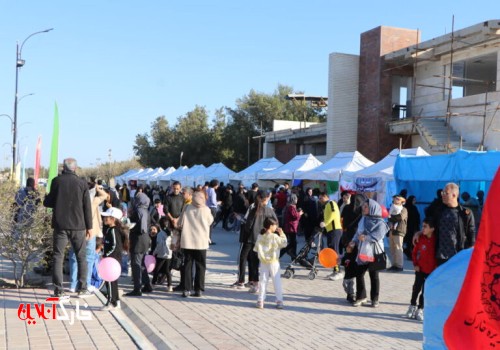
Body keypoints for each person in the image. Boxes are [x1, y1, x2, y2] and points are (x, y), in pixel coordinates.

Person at [43, 158, 93, 298]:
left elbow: (48, 203)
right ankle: (82, 288)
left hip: (60, 225)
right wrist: (89, 226)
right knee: (81, 257)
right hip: (78, 226)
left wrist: (46, 197)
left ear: (63, 168)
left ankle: (58, 290)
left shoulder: (56, 181)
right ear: (75, 168)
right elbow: (87, 207)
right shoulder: (82, 183)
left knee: (58, 257)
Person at [349, 199, 389, 307]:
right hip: (362, 251)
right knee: (359, 273)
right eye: (364, 206)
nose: (363, 208)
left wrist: (366, 237)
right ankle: (361, 297)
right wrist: (353, 241)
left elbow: (378, 236)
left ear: (372, 208)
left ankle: (375, 299)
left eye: (366, 206)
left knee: (374, 276)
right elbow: (358, 233)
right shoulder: (363, 219)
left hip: (374, 252)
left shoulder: (381, 223)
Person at [68, 182, 107, 293]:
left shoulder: (75, 199)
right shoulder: (93, 201)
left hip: (76, 231)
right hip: (91, 232)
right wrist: (98, 188)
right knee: (89, 258)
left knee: (74, 257)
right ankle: (87, 283)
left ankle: (73, 283)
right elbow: (104, 195)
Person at [240, 189, 278, 293]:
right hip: (265, 239)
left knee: (254, 263)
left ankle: (255, 284)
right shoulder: (269, 210)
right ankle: (264, 283)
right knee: (264, 263)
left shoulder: (254, 209)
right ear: (267, 198)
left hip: (253, 239)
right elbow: (276, 223)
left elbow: (248, 226)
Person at [178, 191, 213, 297]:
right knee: (201, 266)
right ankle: (199, 289)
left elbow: (180, 223)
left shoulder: (187, 207)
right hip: (201, 242)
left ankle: (187, 289)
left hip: (187, 241)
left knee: (187, 265)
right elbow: (210, 221)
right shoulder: (206, 210)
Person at [404, 217, 436, 322]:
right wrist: (415, 264)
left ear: (432, 229)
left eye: (425, 227)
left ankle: (420, 309)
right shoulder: (420, 238)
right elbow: (414, 253)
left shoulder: (436, 240)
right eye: (422, 226)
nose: (423, 229)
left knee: (425, 291)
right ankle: (412, 306)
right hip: (420, 269)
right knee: (416, 288)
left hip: (431, 270)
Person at [254, 217, 287, 309]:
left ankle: (260, 300)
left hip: (263, 262)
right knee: (276, 281)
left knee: (263, 281)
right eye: (275, 225)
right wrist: (282, 233)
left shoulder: (260, 236)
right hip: (274, 262)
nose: (276, 226)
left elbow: (256, 248)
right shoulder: (275, 237)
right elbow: (284, 243)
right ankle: (279, 300)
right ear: (271, 226)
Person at [125, 185, 152, 296]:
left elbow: (139, 227)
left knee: (136, 264)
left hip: (137, 240)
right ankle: (147, 285)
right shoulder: (147, 211)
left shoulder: (138, 211)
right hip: (145, 240)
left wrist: (129, 225)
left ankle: (137, 288)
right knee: (141, 263)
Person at [101, 207, 128, 310]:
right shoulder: (109, 229)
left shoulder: (113, 230)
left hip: (112, 260)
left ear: (113, 219)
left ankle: (112, 302)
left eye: (107, 217)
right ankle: (116, 301)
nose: (104, 218)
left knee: (110, 281)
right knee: (112, 282)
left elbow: (115, 246)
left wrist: (106, 255)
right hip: (111, 260)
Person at [318, 192, 343, 281]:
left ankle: (338, 271)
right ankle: (335, 270)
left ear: (326, 197)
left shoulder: (331, 203)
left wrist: (326, 223)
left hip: (335, 230)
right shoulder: (326, 205)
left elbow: (333, 214)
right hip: (331, 230)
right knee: (332, 250)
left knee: (334, 251)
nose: (319, 200)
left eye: (321, 198)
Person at [152, 217, 173, 291]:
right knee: (167, 270)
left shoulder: (160, 234)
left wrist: (154, 253)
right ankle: (170, 285)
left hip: (161, 254)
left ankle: (153, 283)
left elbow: (159, 245)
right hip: (169, 254)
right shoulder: (171, 233)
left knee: (157, 269)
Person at [387, 195, 408, 272]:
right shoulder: (392, 208)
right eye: (395, 198)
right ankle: (394, 264)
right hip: (392, 230)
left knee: (398, 248)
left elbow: (400, 217)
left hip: (399, 230)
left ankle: (399, 265)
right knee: (392, 248)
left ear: (402, 201)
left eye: (398, 199)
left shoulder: (404, 209)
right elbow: (389, 218)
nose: (396, 200)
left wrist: (390, 216)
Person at [280, 194, 302, 260]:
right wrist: (299, 213)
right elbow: (295, 216)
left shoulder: (290, 206)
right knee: (292, 243)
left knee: (293, 242)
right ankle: (284, 252)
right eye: (296, 199)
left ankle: (293, 256)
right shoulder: (291, 207)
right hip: (291, 227)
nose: (297, 200)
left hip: (291, 226)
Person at [403, 195, 421, 260]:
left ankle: (411, 254)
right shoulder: (407, 208)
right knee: (409, 241)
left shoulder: (414, 208)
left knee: (413, 242)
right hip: (408, 227)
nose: (414, 201)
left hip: (413, 227)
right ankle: (409, 254)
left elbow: (417, 218)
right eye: (413, 200)